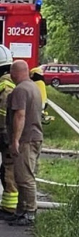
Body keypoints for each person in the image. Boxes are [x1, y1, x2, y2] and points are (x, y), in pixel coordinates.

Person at [6, 61, 42, 227]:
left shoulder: (20, 90)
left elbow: (20, 116)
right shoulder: (33, 87)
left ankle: (29, 212)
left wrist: (15, 140)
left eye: (11, 72)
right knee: (22, 176)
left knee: (25, 177)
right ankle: (21, 211)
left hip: (26, 139)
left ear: (15, 72)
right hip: (34, 136)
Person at [0, 48, 15, 218]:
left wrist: (4, 132)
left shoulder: (6, 85)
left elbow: (4, 112)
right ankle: (7, 206)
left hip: (5, 133)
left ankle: (10, 208)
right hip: (7, 133)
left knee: (8, 170)